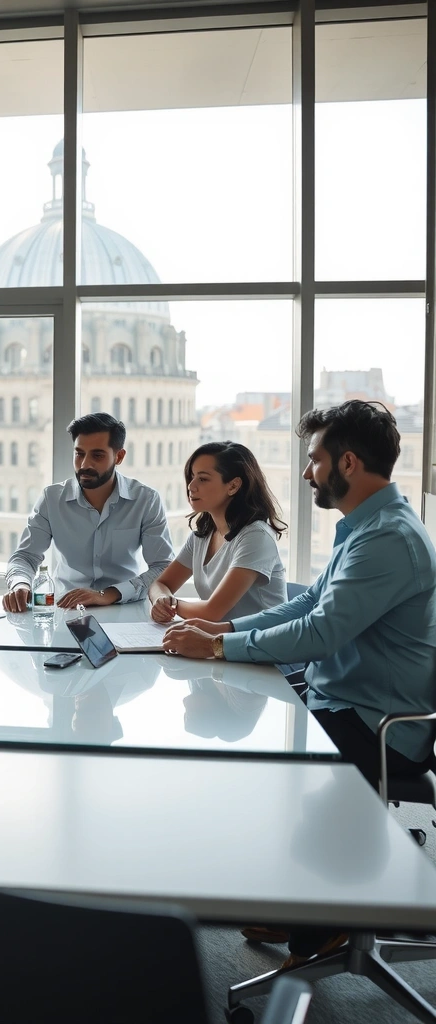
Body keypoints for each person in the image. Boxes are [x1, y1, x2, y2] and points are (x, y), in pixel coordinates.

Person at [162, 400, 436, 966]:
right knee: (254, 734)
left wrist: (217, 645)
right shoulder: (364, 526)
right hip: (342, 697)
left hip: (378, 724)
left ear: (350, 463)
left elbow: (320, 632)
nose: (308, 471)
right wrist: (226, 627)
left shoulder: (388, 538)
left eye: (315, 459)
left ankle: (326, 928)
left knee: (269, 763)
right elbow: (307, 602)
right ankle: (301, 899)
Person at [2, 412, 173, 612]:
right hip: (66, 609)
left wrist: (107, 594)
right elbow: (25, 556)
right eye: (79, 454)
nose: (85, 465)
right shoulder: (51, 499)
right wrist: (20, 584)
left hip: (125, 608)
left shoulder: (146, 500)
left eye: (97, 455)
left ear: (119, 456)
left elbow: (163, 567)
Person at [148, 441, 287, 623]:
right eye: (191, 476)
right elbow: (160, 584)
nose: (191, 486)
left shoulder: (256, 537)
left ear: (233, 486)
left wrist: (170, 605)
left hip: (260, 644)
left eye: (203, 479)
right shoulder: (201, 537)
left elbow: (212, 612)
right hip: (219, 640)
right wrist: (161, 599)